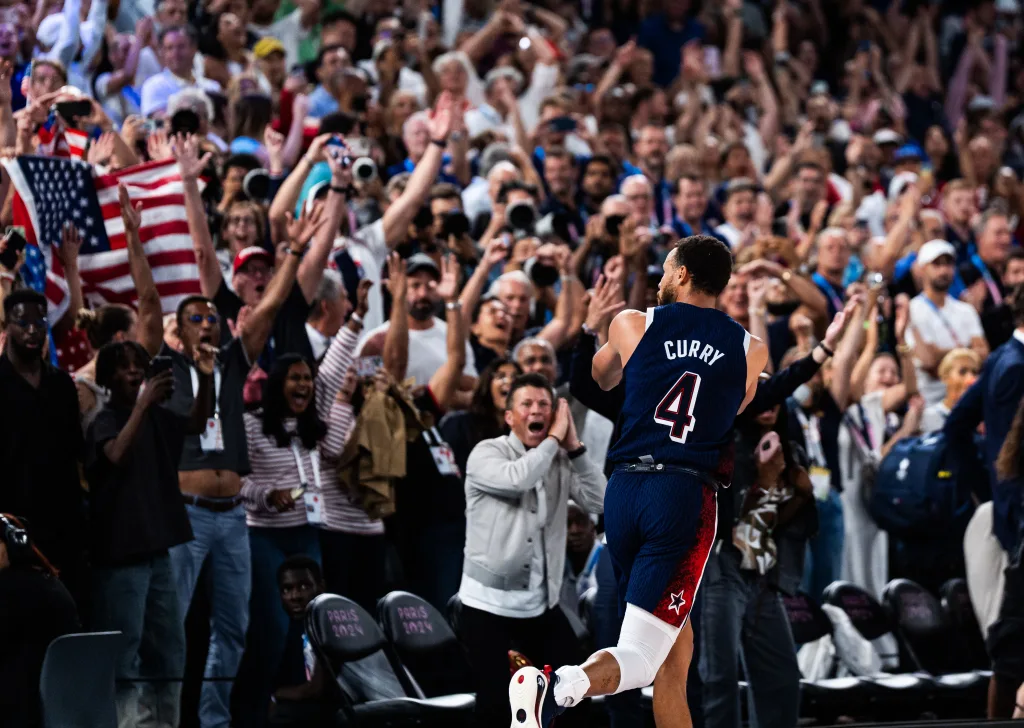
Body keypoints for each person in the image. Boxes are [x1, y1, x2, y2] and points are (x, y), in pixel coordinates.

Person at [510, 235, 768, 728]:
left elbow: (599, 378)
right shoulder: (748, 347)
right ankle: (558, 686)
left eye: (666, 270)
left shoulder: (632, 322)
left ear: (684, 274)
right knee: (644, 656)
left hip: (626, 491)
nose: (660, 279)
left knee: (676, 653)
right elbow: (734, 405)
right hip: (684, 497)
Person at [235, 279, 368, 727]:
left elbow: (331, 372)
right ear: (277, 384)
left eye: (307, 380)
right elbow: (238, 482)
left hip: (309, 535)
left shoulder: (312, 425)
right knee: (272, 626)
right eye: (295, 378)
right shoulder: (253, 425)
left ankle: (301, 701)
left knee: (310, 625)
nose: (305, 385)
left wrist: (356, 319)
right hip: (266, 537)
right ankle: (257, 705)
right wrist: (264, 496)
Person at [461, 372, 606, 728]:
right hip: (487, 606)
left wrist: (575, 449)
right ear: (510, 417)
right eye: (526, 404)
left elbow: (602, 501)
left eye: (544, 404)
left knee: (575, 696)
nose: (536, 410)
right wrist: (555, 438)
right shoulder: (486, 453)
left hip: (542, 607)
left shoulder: (557, 459)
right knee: (497, 704)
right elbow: (518, 479)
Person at [85, 337, 215, 728]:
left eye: (139, 364)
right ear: (108, 377)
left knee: (171, 651)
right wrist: (143, 404)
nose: (135, 371)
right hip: (121, 557)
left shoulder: (155, 416)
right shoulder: (104, 420)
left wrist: (205, 377)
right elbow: (116, 454)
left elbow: (196, 421)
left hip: (157, 551)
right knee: (127, 655)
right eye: (124, 367)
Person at [0, 288, 89, 614]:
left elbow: (74, 452)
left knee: (71, 619)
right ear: (7, 325)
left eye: (40, 321)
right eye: (22, 322)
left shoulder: (62, 385)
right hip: (13, 528)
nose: (33, 329)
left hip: (65, 526)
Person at [0, 513, 81, 728]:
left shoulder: (12, 588)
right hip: (64, 704)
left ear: (13, 545)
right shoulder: (44, 579)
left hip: (25, 709)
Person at [907, 239, 989, 406]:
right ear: (923, 269)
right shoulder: (913, 309)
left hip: (967, 396)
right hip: (932, 400)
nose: (944, 270)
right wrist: (966, 350)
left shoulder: (965, 310)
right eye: (936, 265)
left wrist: (942, 354)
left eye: (948, 264)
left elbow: (983, 354)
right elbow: (929, 361)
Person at [921, 348, 982, 433]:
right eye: (963, 372)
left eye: (974, 372)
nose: (971, 378)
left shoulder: (983, 416)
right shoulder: (930, 416)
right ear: (945, 377)